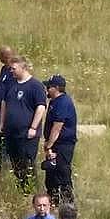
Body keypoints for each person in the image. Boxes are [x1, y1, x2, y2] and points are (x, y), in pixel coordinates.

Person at [0, 56, 47, 192]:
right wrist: (2, 122)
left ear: (23, 68)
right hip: (10, 131)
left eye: (14, 69)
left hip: (27, 133)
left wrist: (33, 127)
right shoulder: (11, 84)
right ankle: (20, 187)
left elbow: (41, 107)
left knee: (27, 161)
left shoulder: (35, 85)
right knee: (15, 161)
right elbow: (4, 103)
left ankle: (31, 190)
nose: (11, 71)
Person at [42, 75, 78, 206]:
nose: (47, 89)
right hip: (54, 144)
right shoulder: (53, 101)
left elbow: (57, 126)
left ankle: (68, 204)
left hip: (63, 145)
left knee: (62, 173)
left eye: (49, 86)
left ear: (57, 88)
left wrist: (49, 145)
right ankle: (53, 202)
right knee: (51, 175)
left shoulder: (63, 102)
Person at [0, 46, 16, 171]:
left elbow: (8, 96)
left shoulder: (13, 72)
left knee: (4, 142)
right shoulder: (4, 69)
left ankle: (5, 168)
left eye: (1, 57)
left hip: (6, 113)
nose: (0, 60)